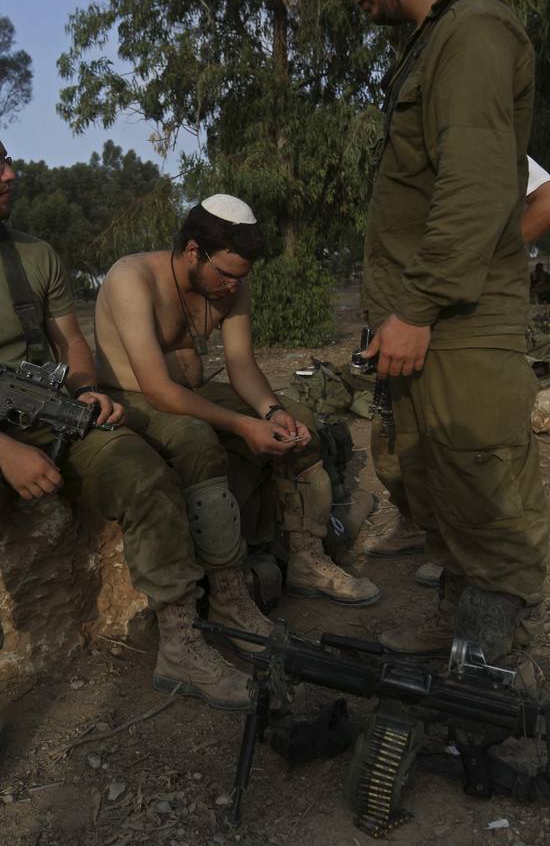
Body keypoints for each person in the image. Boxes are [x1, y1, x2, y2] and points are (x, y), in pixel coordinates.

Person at [0, 110, 255, 812]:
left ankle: (179, 638)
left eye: (5, 158)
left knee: (143, 471)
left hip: (53, 415)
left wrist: (84, 389)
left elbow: (72, 346)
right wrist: (5, 452)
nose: (9, 171)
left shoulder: (33, 255)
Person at [314, 0, 549, 671]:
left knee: (486, 500)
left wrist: (416, 309)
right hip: (428, 321)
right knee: (434, 483)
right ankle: (455, 632)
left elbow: (476, 189)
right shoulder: (437, 40)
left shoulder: (474, 30)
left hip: (459, 323)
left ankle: (490, 679)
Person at [93, 194, 380, 617]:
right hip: (136, 397)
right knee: (199, 438)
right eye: (225, 275)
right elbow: (155, 388)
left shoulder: (233, 283)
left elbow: (241, 364)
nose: (232, 286)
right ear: (193, 251)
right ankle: (228, 592)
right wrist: (242, 426)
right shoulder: (131, 278)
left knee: (297, 420)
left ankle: (306, 559)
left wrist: (270, 412)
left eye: (239, 278)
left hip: (194, 391)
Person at [362, 157, 550, 585]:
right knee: (397, 445)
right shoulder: (421, 147)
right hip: (406, 319)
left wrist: (471, 268)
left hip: (456, 326)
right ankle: (423, 532)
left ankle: (480, 590)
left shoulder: (477, 138)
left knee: (465, 457)